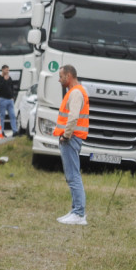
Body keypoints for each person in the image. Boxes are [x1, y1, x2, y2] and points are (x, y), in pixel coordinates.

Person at [54, 65, 89, 225]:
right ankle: (76, 210)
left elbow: (73, 117)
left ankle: (79, 214)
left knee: (73, 176)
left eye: (61, 76)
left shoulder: (75, 93)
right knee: (72, 176)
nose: (59, 79)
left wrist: (65, 135)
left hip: (70, 138)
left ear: (68, 76)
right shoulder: (77, 91)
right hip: (73, 138)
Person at [0, 64, 20, 135]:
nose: (8, 71)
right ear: (3, 70)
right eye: (6, 70)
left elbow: (11, 87)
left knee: (12, 115)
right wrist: (4, 80)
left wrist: (13, 96)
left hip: (10, 100)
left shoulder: (10, 78)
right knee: (2, 116)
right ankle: (2, 131)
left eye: (8, 70)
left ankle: (15, 131)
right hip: (2, 99)